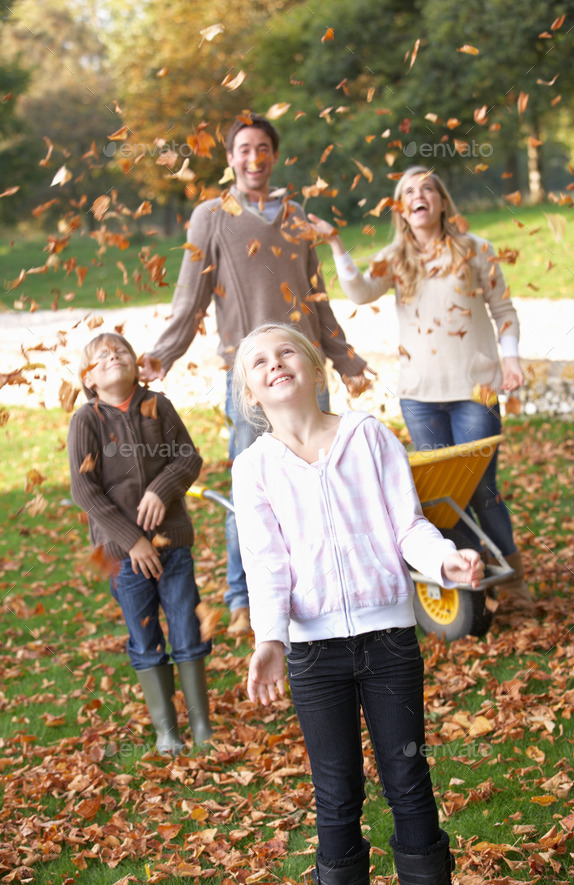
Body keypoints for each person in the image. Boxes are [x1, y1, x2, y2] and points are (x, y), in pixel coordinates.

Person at [230, 322, 484, 885]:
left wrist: (444, 562)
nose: (275, 363)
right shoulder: (254, 468)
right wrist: (270, 639)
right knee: (337, 790)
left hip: (389, 642)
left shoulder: (368, 436)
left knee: (408, 774)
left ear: (315, 366)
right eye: (259, 362)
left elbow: (408, 526)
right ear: (250, 391)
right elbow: (267, 564)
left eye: (287, 351)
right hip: (314, 655)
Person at [140, 112, 371, 637]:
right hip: (250, 374)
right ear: (230, 159)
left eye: (263, 147)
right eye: (243, 148)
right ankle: (241, 594)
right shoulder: (211, 217)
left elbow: (317, 297)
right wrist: (163, 354)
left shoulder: (297, 217)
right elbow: (189, 297)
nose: (254, 157)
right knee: (252, 481)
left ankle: (318, 583)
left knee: (320, 479)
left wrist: (346, 358)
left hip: (305, 368)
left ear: (273, 155)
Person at [308, 164, 534, 613]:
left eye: (427, 187)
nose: (419, 194)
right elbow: (358, 292)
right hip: (419, 399)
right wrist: (335, 243)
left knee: (480, 490)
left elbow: (503, 310)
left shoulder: (476, 249)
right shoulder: (395, 257)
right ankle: (473, 579)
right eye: (408, 191)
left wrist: (510, 359)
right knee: (443, 499)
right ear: (401, 210)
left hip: (476, 392)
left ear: (442, 201)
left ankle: (513, 582)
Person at [68, 332, 212, 755]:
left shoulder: (158, 405)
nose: (114, 355)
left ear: (136, 364)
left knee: (186, 628)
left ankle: (201, 724)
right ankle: (167, 730)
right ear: (89, 379)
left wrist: (161, 490)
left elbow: (188, 458)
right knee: (145, 638)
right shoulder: (86, 420)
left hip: (173, 545)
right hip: (125, 557)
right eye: (101, 356)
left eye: (122, 351)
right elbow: (85, 491)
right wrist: (132, 541)